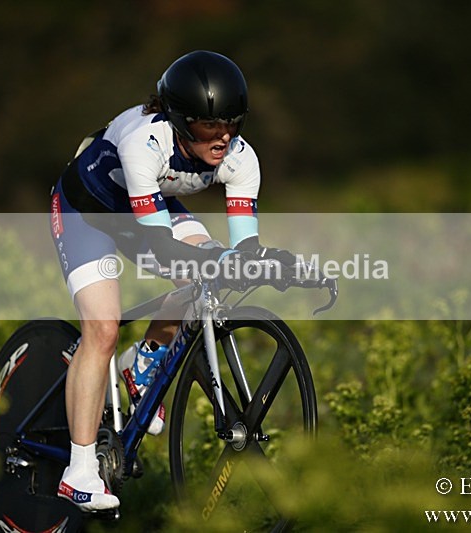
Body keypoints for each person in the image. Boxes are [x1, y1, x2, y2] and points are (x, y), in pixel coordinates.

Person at [49, 50, 298, 511]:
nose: (223, 136)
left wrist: (278, 265)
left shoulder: (241, 159)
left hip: (147, 211)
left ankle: (142, 364)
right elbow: (160, 244)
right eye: (208, 126)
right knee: (102, 328)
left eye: (233, 123)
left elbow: (242, 252)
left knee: (213, 271)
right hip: (88, 214)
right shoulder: (146, 142)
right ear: (180, 122)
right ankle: (78, 470)